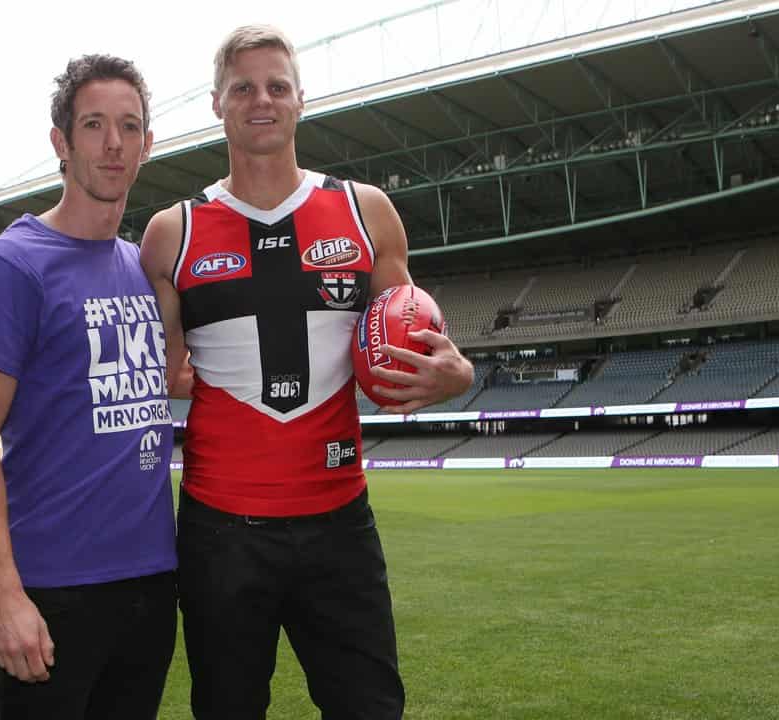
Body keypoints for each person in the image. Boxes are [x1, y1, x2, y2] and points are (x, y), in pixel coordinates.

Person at [139, 25, 475, 719]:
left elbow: (413, 337)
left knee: (371, 709)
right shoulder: (173, 231)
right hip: (221, 531)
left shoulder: (366, 211)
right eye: (243, 88)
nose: (261, 100)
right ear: (216, 104)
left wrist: (456, 373)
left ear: (300, 101)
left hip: (338, 524)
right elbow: (164, 371)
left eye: (277, 86)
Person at [0, 54, 177, 720]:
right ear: (61, 142)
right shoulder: (11, 266)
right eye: (95, 125)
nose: (114, 143)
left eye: (130, 126)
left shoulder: (146, 268)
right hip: (53, 592)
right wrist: (2, 594)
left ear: (147, 146)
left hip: (151, 586)